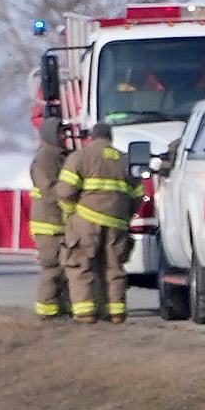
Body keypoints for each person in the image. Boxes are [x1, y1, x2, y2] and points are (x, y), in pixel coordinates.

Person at [56, 119, 137, 324]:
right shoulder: (125, 159)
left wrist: (70, 213)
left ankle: (85, 312)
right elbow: (138, 195)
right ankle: (117, 312)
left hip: (86, 219)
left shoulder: (80, 156)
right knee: (114, 266)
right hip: (117, 221)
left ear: (91, 137)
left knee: (81, 263)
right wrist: (125, 215)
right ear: (110, 138)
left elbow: (65, 191)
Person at [27, 117, 72, 322]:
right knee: (52, 269)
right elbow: (49, 191)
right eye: (61, 133)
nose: (64, 137)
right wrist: (71, 198)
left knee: (65, 270)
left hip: (60, 223)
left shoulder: (61, 157)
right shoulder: (44, 160)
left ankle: (62, 308)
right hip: (48, 225)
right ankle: (47, 312)